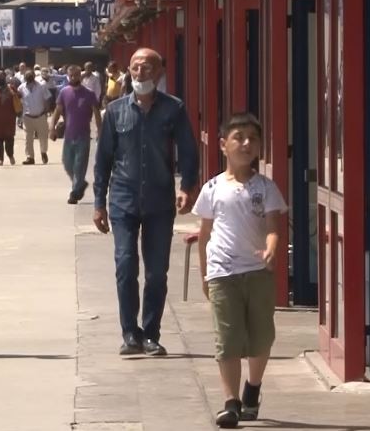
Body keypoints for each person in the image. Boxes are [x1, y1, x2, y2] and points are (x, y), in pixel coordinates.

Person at [93, 48, 198, 357]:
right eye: (136, 69)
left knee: (156, 272)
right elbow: (103, 160)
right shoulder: (114, 112)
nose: (141, 74)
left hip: (159, 201)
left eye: (148, 68)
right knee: (125, 265)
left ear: (160, 72)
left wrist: (187, 187)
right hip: (123, 199)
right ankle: (129, 333)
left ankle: (151, 333)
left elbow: (189, 152)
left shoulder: (173, 110)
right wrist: (99, 202)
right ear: (129, 71)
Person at [193, 113, 287, 428]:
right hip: (223, 272)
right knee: (227, 339)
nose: (246, 144)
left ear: (259, 147)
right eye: (239, 137)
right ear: (223, 145)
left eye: (252, 139)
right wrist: (205, 274)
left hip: (258, 272)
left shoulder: (266, 187)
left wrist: (272, 248)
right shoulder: (212, 188)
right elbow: (205, 234)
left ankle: (253, 388)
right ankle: (230, 403)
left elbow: (274, 226)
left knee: (261, 338)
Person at [50, 65, 102, 203]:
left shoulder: (89, 94)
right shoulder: (64, 92)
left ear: (81, 75)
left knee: (79, 165)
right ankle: (80, 184)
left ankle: (74, 193)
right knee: (67, 163)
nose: (73, 78)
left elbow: (97, 114)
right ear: (68, 76)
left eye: (76, 75)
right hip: (69, 135)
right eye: (71, 76)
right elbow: (58, 111)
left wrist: (100, 131)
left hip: (84, 136)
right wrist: (52, 128)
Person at [17, 70, 53, 165]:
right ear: (25, 77)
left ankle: (43, 152)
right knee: (28, 138)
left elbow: (47, 98)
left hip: (40, 115)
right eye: (27, 76)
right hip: (27, 117)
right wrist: (20, 116)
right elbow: (18, 101)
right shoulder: (21, 88)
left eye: (30, 75)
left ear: (34, 76)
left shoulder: (42, 86)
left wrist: (46, 110)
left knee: (43, 137)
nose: (29, 77)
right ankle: (30, 157)